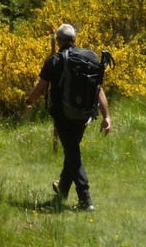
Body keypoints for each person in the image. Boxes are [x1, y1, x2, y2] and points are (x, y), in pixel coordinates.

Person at [24, 23, 111, 211]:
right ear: (74, 39)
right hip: (85, 113)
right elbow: (98, 89)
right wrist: (106, 116)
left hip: (63, 114)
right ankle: (63, 188)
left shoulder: (54, 60)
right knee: (72, 150)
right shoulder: (90, 57)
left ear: (59, 41)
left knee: (72, 153)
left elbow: (41, 88)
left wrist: (29, 99)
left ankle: (86, 200)